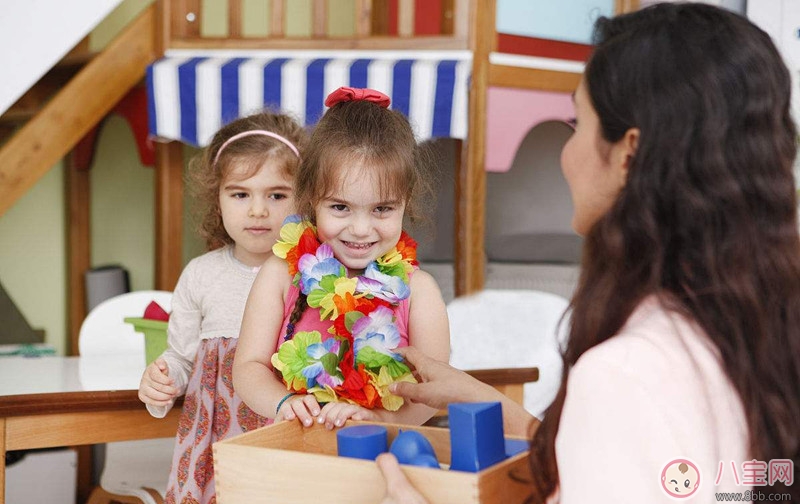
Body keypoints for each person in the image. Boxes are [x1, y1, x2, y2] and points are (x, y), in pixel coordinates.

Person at [378, 4, 800, 504]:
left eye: (577, 123)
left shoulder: (626, 373)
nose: (565, 151)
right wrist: (477, 397)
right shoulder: (764, 322)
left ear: (628, 152)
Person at [233, 87, 450, 430]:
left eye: (382, 208)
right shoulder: (279, 274)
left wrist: (377, 418)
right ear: (311, 197)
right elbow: (248, 368)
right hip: (292, 456)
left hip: (379, 459)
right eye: (340, 207)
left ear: (405, 202)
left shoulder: (419, 291)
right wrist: (285, 402)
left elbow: (436, 391)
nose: (361, 229)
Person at [137, 110, 307, 504]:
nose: (258, 210)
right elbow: (181, 358)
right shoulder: (201, 275)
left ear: (306, 196)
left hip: (290, 436)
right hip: (216, 445)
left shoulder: (313, 275)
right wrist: (162, 381)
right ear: (218, 198)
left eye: (277, 195)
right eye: (240, 194)